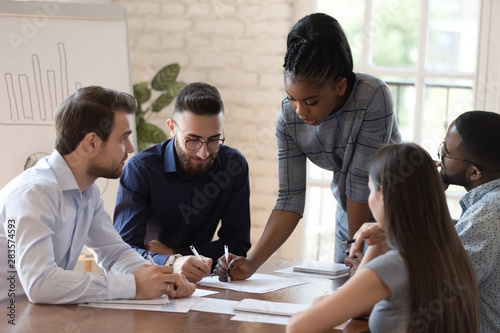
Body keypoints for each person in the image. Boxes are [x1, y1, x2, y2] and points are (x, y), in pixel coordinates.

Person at [215, 12, 401, 280]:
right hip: (350, 216)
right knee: (347, 304)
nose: (300, 110)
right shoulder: (289, 117)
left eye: (311, 101)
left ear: (340, 86)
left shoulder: (372, 96)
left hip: (396, 214)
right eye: (292, 98)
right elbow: (290, 199)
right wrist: (252, 263)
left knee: (380, 306)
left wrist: (355, 253)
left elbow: (361, 186)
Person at [0, 86, 195, 304]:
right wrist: (133, 285)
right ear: (91, 142)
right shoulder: (35, 193)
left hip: (33, 315)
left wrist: (162, 279)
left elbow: (114, 253)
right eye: (123, 139)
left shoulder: (87, 192)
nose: (130, 148)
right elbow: (40, 284)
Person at [286, 143, 480, 333]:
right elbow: (360, 306)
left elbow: (297, 327)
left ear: (385, 196)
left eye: (371, 190)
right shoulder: (451, 252)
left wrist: (322, 305)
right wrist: (379, 242)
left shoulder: (397, 264)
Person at [113, 82, 251, 283]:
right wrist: (171, 262)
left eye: (213, 140)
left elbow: (237, 245)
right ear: (171, 128)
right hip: (147, 284)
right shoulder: (141, 170)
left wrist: (175, 254)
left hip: (204, 286)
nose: (203, 153)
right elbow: (123, 252)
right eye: (192, 140)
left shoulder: (233, 165)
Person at [438, 110, 500, 332]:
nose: (439, 157)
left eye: (446, 152)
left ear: (475, 172)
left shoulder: (488, 213)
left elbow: (436, 286)